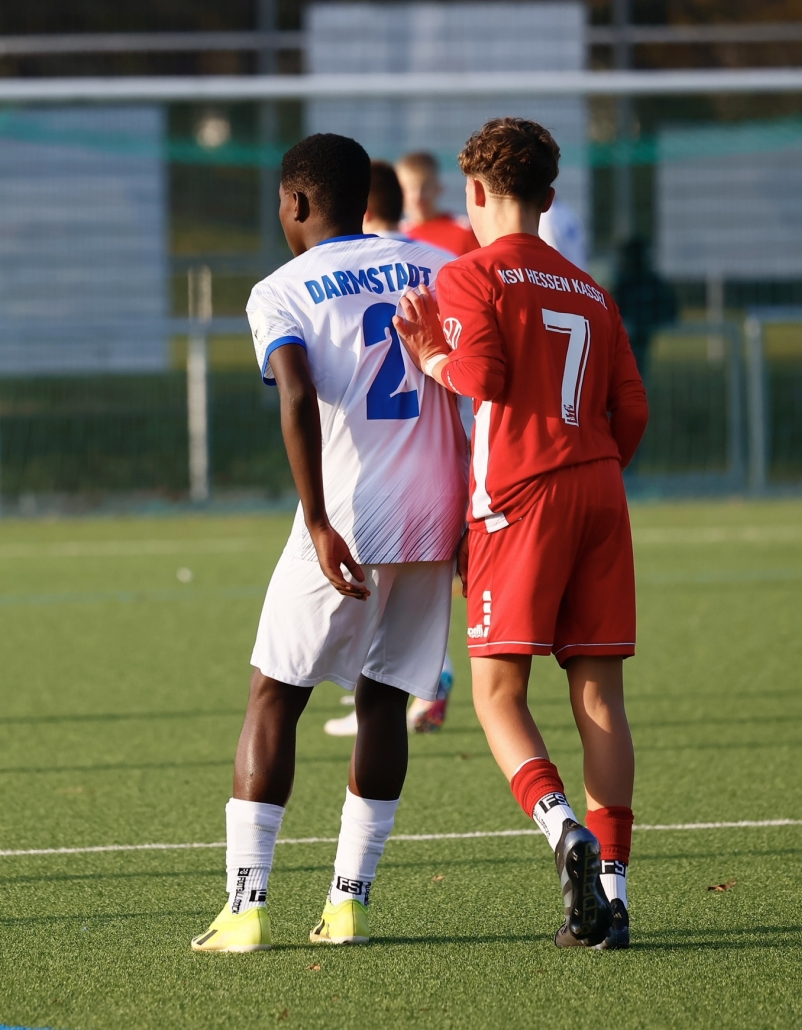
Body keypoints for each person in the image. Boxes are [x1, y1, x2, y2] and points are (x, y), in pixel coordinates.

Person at [191, 133, 468, 953]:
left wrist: (316, 519)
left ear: (298, 202)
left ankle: (245, 908)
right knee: (384, 698)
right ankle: (348, 904)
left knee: (274, 694)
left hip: (347, 512)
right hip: (433, 513)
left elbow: (296, 390)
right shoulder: (435, 264)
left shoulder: (280, 288)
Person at [394, 118, 648, 949]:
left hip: (520, 497)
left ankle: (561, 829)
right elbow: (631, 410)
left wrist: (430, 352)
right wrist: (593, 468)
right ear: (548, 195)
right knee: (599, 696)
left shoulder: (470, 273)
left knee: (497, 693)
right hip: (600, 488)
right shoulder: (592, 291)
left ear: (473, 192)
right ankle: (613, 896)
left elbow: (482, 376)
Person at [323, 159, 458, 739]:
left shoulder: (336, 269)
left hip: (367, 469)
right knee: (410, 606)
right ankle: (423, 682)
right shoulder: (434, 261)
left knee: (363, 607)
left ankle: (428, 681)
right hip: (437, 464)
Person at [613, 236, 678, 373]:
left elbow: (669, 308)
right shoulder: (625, 285)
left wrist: (648, 323)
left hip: (644, 342)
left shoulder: (651, 284)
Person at [396, 151, 479, 257]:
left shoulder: (465, 231)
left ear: (438, 187)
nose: (417, 196)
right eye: (408, 188)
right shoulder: (395, 236)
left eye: (425, 187)